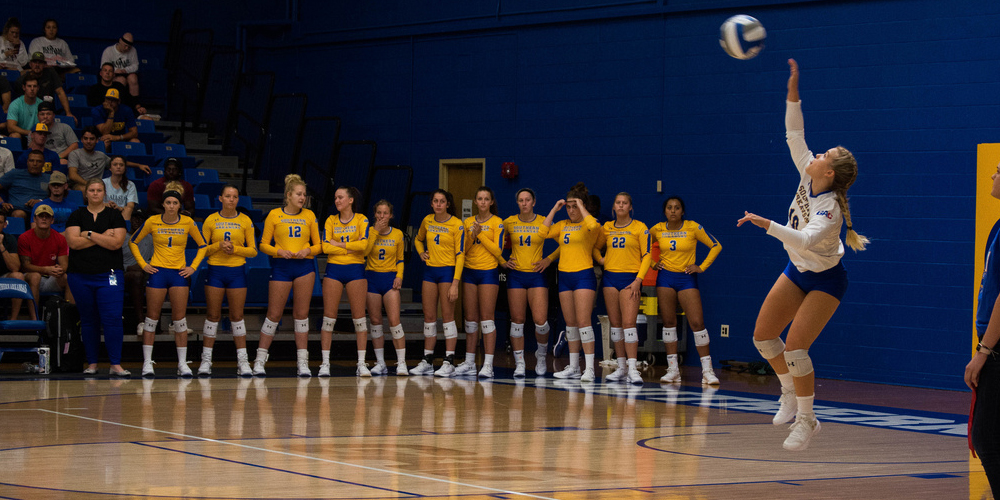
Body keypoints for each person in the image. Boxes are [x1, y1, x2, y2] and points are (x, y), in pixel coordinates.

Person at [737, 59, 869, 451]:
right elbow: (795, 132)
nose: (816, 154)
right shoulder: (807, 173)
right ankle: (788, 393)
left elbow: (805, 241)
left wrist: (767, 225)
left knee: (796, 347)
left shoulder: (829, 210)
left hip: (826, 279)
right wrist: (793, 89)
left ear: (828, 174)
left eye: (824, 155)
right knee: (763, 337)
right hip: (797, 271)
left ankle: (808, 420)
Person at [129, 182, 208, 377]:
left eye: (175, 203)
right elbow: (133, 242)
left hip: (178, 274)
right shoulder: (153, 221)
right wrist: (143, 264)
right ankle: (147, 362)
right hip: (158, 272)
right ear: (163, 204)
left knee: (180, 321)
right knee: (151, 319)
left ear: (179, 205)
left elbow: (203, 245)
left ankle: (182, 363)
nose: (172, 206)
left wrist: (193, 267)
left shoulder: (188, 223)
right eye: (168, 202)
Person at [252, 174, 321, 377]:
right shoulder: (274, 215)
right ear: (288, 195)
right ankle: (259, 360)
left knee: (301, 315)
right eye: (299, 194)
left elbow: (319, 245)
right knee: (274, 315)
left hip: (304, 268)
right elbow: (263, 244)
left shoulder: (309, 216)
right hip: (282, 267)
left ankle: (302, 362)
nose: (302, 198)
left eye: (304, 195)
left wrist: (307, 251)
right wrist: (278, 251)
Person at [651, 196, 723, 385]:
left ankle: (707, 371)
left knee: (697, 323)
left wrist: (701, 266)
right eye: (669, 207)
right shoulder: (657, 229)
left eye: (677, 208)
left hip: (686, 278)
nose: (673, 211)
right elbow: (641, 244)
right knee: (668, 322)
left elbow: (716, 246)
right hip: (665, 278)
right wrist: (652, 263)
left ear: (682, 211)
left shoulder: (692, 227)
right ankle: (673, 369)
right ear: (665, 211)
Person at [65, 178, 129, 376]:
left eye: (99, 190)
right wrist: (101, 236)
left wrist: (89, 234)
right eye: (91, 190)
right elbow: (73, 244)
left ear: (104, 193)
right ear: (85, 193)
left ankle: (115, 364)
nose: (95, 193)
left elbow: (116, 243)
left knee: (112, 319)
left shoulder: (114, 216)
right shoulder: (76, 215)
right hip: (80, 276)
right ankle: (92, 364)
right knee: (88, 320)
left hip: (109, 275)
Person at [199, 184, 257, 377]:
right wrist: (218, 246)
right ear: (220, 198)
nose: (231, 199)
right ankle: (206, 360)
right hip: (215, 271)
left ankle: (243, 362)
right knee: (213, 315)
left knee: (237, 316)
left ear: (237, 200)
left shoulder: (245, 220)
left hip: (237, 273)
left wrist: (236, 249)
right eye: (228, 196)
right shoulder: (211, 220)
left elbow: (253, 250)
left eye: (235, 196)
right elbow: (202, 249)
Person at [967, 162, 1000, 496]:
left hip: (997, 347)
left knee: (986, 437)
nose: (993, 176)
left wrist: (984, 352)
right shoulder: (997, 228)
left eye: (999, 171)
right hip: (992, 341)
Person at [593, 192, 651, 385]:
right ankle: (621, 367)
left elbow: (648, 255)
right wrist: (601, 260)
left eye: (625, 203)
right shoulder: (607, 227)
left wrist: (638, 280)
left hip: (630, 280)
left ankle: (633, 369)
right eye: (618, 202)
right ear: (613, 207)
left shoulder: (640, 227)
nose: (621, 206)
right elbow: (595, 247)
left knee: (629, 324)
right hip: (610, 278)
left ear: (630, 207)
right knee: (616, 325)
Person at [547, 182, 602, 382]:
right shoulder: (562, 225)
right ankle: (573, 366)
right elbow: (542, 233)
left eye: (574, 206)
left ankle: (589, 368)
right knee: (570, 324)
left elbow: (594, 225)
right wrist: (555, 209)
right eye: (568, 207)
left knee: (583, 322)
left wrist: (582, 206)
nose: (571, 210)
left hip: (583, 276)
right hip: (565, 277)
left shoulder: (590, 224)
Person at [411, 189, 465, 376]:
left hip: (447, 272)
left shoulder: (457, 224)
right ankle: (427, 359)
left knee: (448, 317)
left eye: (442, 201)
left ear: (447, 204)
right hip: (430, 272)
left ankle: (449, 360)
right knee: (429, 317)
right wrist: (421, 253)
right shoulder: (427, 220)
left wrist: (455, 283)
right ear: (432, 203)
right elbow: (418, 240)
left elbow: (460, 255)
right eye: (436, 201)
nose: (439, 204)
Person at [320, 186, 371, 377]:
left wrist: (339, 245)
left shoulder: (361, 219)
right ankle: (325, 363)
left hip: (355, 270)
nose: (337, 201)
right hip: (334, 269)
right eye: (335, 198)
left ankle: (361, 363)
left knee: (359, 319)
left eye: (340, 197)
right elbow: (325, 246)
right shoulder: (331, 220)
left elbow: (364, 245)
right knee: (328, 319)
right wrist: (350, 247)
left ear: (350, 200)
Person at [502, 188, 553, 377]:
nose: (524, 203)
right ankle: (520, 363)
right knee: (517, 321)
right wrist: (502, 260)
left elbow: (565, 241)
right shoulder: (509, 222)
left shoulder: (542, 221)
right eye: (521, 200)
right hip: (516, 275)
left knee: (540, 321)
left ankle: (541, 356)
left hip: (536, 275)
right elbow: (493, 238)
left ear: (534, 202)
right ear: (517, 203)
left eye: (527, 200)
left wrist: (548, 259)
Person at [455, 186, 504, 378]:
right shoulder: (467, 222)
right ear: (475, 202)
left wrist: (480, 234)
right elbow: (463, 249)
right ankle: (469, 362)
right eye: (479, 199)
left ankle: (488, 364)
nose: (483, 202)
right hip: (469, 272)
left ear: (491, 202)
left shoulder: (497, 222)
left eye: (486, 199)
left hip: (488, 273)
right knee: (470, 319)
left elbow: (498, 251)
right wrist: (471, 235)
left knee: (487, 318)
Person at [364, 200, 407, 375]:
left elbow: (400, 259)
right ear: (375, 214)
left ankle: (402, 362)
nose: (382, 216)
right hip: (372, 278)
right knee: (375, 321)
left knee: (394, 322)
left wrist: (399, 276)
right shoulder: (369, 232)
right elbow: (365, 251)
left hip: (390, 279)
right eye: (379, 213)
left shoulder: (397, 234)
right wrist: (375, 232)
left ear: (390, 215)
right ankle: (380, 362)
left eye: (385, 213)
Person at [18, 204, 71, 309]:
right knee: (35, 277)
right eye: (40, 216)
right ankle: (35, 319)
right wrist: (46, 269)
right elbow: (25, 266)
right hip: (30, 277)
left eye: (47, 216)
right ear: (34, 219)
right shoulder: (24, 237)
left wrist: (60, 270)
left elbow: (65, 264)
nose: (44, 219)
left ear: (52, 220)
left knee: (69, 278)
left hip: (50, 277)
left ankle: (68, 315)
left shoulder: (60, 238)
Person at [16, 52, 75, 125]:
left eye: (40, 63)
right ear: (30, 64)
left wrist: (68, 113)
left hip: (48, 111)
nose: (37, 65)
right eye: (35, 62)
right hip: (30, 112)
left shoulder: (50, 72)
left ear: (44, 65)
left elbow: (60, 92)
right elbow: (21, 101)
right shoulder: (22, 80)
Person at [0, 150, 50, 220]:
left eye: (39, 161)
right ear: (27, 162)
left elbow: (56, 196)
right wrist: (2, 203)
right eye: (31, 161)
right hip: (18, 210)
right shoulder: (15, 174)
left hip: (42, 211)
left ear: (43, 163)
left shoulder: (49, 178)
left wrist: (41, 201)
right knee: (19, 214)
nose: (35, 164)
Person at [0, 211, 29, 319]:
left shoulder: (9, 239)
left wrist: (1, 247)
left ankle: (13, 319)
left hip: (3, 276)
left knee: (18, 276)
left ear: (5, 224)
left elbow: (15, 268)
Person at [101, 33, 139, 98]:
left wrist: (125, 70)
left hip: (127, 73)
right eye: (125, 46)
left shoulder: (133, 50)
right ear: (120, 41)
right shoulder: (109, 51)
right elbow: (103, 66)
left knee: (133, 78)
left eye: (129, 47)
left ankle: (135, 103)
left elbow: (136, 65)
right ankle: (119, 103)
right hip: (114, 74)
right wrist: (115, 70)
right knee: (121, 80)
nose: (127, 48)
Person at [102, 155, 137, 223]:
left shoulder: (130, 185)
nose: (118, 167)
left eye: (121, 165)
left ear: (124, 168)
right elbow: (95, 202)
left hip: (122, 214)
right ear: (110, 168)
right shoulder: (102, 182)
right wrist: (106, 204)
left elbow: (130, 206)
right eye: (115, 164)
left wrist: (119, 208)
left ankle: (123, 229)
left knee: (128, 209)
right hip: (105, 212)